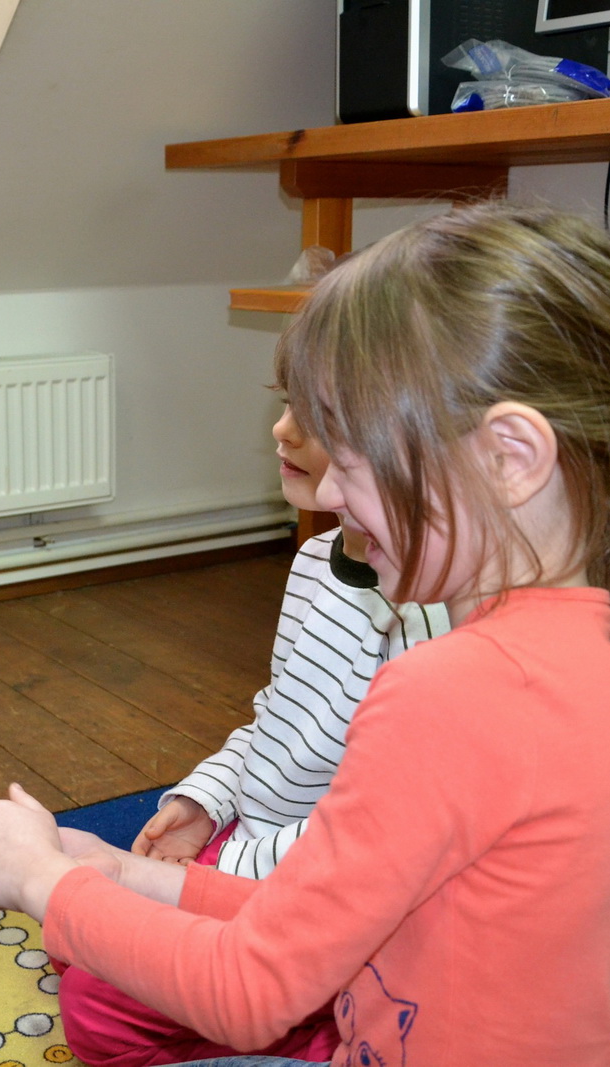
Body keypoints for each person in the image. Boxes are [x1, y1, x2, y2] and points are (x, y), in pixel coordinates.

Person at [0, 203, 610, 1066]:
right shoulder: (586, 654)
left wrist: (42, 882)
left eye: (353, 461)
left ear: (509, 458)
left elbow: (248, 988)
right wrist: (122, 875)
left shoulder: (453, 691)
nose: (327, 495)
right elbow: (323, 923)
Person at [57, 401, 448, 1067]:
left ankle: (337, 1032)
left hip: (325, 893)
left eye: (319, 415)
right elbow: (274, 718)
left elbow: (372, 841)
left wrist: (202, 879)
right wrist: (204, 804)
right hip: (259, 851)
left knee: (94, 997)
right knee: (74, 931)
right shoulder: (317, 559)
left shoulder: (431, 622)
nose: (282, 428)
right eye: (286, 400)